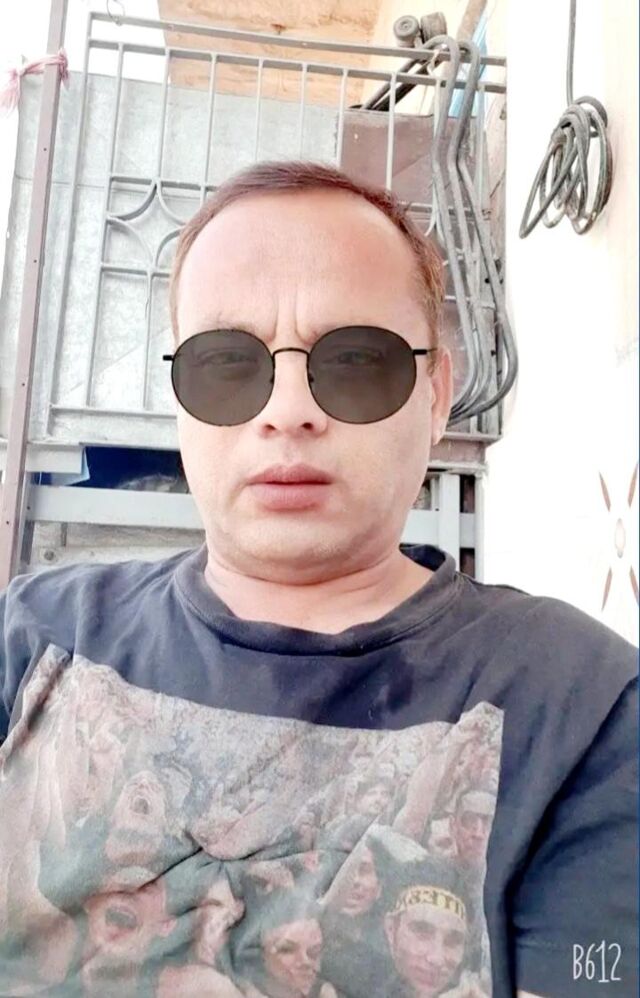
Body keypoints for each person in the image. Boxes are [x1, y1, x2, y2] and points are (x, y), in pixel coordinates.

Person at [0, 159, 637, 998]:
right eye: (227, 364)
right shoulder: (30, 640)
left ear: (437, 395)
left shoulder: (582, 702)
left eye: (357, 360)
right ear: (179, 400)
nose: (288, 410)